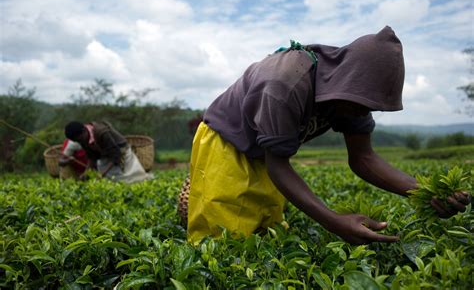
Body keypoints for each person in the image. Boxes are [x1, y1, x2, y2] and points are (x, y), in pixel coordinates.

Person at [185, 26, 471, 244]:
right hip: (226, 142)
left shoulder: (353, 99)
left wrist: (428, 192)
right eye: (362, 105)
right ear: (346, 81)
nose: (363, 113)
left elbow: (363, 157)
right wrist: (334, 222)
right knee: (222, 239)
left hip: (263, 152)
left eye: (371, 108)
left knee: (263, 230)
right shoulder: (285, 83)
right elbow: (278, 166)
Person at [64, 120, 152, 183]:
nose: (79, 142)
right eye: (76, 141)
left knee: (131, 178)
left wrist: (102, 174)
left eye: (79, 139)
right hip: (105, 156)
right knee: (111, 181)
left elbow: (116, 155)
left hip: (121, 152)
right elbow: (92, 158)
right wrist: (86, 173)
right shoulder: (82, 139)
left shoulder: (102, 132)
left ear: (83, 131)